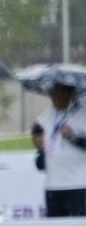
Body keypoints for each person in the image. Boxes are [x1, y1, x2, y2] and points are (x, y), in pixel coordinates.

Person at [36, 77, 84, 218]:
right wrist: (39, 145)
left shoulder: (83, 113)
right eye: (52, 93)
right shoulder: (47, 116)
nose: (53, 97)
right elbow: (37, 129)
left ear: (69, 94)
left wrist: (73, 137)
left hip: (78, 185)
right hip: (53, 185)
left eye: (56, 93)